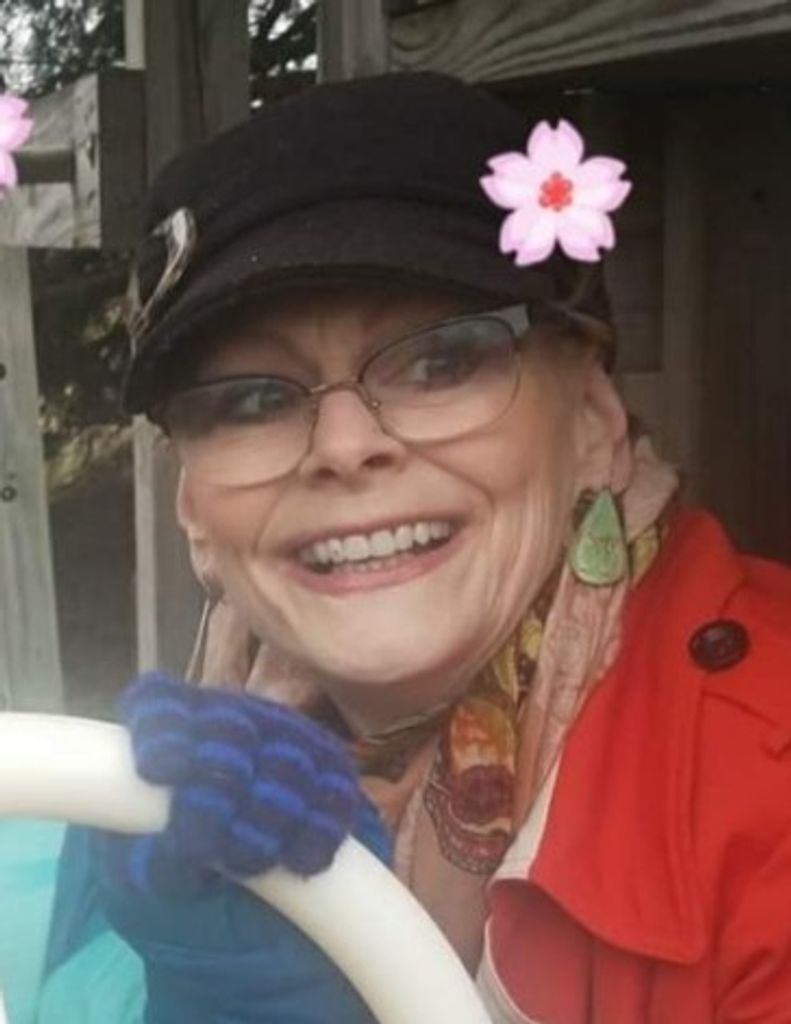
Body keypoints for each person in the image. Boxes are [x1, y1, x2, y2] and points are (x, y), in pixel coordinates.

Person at [45, 71, 791, 1023]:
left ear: (592, 424)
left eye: (440, 361)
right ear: (194, 510)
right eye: (251, 399)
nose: (344, 445)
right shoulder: (150, 793)